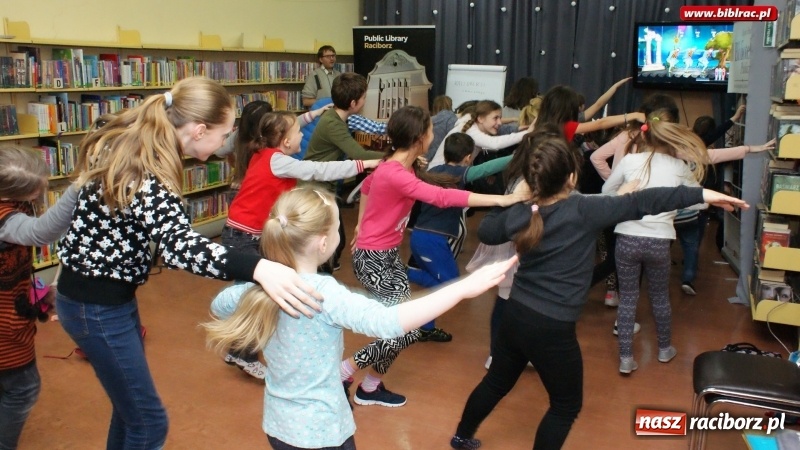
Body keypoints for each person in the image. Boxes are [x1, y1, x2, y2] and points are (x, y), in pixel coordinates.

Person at [54, 76, 324, 450]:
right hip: (95, 305)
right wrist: (258, 267)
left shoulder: (137, 148)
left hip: (104, 297)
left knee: (130, 411)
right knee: (148, 424)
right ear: (198, 131)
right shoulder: (147, 174)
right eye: (224, 134)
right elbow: (182, 248)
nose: (226, 144)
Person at [449, 133, 748, 450]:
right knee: (566, 407)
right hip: (552, 328)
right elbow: (645, 201)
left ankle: (460, 436)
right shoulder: (583, 209)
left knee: (496, 381)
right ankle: (462, 436)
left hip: (516, 315)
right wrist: (703, 193)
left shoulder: (525, 212)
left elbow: (488, 230)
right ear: (572, 177)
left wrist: (515, 200)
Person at [204, 186, 517, 450]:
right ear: (324, 244)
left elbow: (220, 305)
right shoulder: (323, 293)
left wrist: (257, 279)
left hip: (278, 427)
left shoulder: (259, 288)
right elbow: (388, 322)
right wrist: (463, 288)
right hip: (323, 433)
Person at [344, 106, 526, 407]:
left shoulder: (405, 165)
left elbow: (367, 186)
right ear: (419, 137)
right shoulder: (395, 172)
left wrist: (362, 223)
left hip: (386, 255)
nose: (434, 134)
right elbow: (442, 197)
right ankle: (346, 372)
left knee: (408, 327)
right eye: (430, 129)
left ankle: (370, 387)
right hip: (373, 259)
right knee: (405, 327)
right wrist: (504, 198)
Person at [601, 109, 710, 374]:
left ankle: (626, 358)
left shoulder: (629, 162)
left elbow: (606, 192)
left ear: (645, 135)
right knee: (660, 297)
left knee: (628, 299)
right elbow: (700, 200)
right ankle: (664, 349)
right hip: (660, 241)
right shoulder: (680, 167)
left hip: (626, 236)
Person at [0, 145, 79, 450]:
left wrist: (39, 294)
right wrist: (78, 189)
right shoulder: (5, 217)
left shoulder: (12, 204)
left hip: (12, 311)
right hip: (5, 329)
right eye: (37, 191)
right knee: (24, 388)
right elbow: (39, 233)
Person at [407, 132, 515, 342]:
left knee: (441, 285)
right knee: (450, 285)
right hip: (431, 240)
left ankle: (426, 328)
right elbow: (487, 168)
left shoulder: (434, 170)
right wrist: (518, 156)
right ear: (468, 157)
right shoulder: (458, 174)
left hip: (425, 238)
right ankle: (405, 273)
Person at [304, 73, 385, 272]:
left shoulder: (337, 117)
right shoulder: (333, 123)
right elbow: (359, 154)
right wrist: (398, 156)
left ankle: (323, 272)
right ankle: (320, 278)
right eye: (364, 98)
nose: (366, 101)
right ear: (353, 103)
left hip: (323, 185)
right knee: (330, 242)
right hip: (316, 187)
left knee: (335, 241)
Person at [429, 100, 533, 169]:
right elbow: (495, 143)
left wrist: (518, 129)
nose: (500, 122)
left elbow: (500, 133)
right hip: (439, 178)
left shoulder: (473, 126)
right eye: (495, 118)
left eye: (500, 118)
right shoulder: (470, 131)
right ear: (480, 118)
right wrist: (527, 133)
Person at [536, 85, 645, 144]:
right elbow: (600, 123)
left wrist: (615, 86)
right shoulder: (567, 126)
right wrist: (633, 115)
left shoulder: (540, 123)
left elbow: (598, 105)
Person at [427, 95, 458, 162]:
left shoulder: (428, 120)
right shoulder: (452, 119)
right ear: (450, 105)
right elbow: (454, 141)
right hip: (442, 159)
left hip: (426, 158)